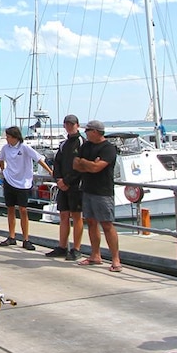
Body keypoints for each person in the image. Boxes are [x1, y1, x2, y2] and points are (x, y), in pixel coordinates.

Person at [73, 120, 123, 272]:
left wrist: (85, 164)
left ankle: (116, 259)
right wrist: (88, 163)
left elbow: (97, 168)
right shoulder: (86, 146)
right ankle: (95, 255)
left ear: (94, 131)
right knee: (91, 222)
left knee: (107, 224)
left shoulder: (108, 148)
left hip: (103, 192)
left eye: (87, 130)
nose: (85, 133)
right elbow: (75, 164)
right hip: (87, 189)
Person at [0, 125, 53, 250]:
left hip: (23, 183)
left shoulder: (25, 147)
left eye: (9, 137)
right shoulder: (5, 148)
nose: (7, 139)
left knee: (23, 210)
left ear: (15, 137)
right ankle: (11, 237)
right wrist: (4, 171)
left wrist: (50, 171)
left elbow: (38, 159)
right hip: (9, 181)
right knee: (10, 208)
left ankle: (26, 239)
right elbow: (0, 159)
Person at [45, 114, 84, 261]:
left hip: (76, 186)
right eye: (67, 124)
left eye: (72, 124)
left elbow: (80, 166)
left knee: (77, 216)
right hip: (63, 185)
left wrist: (68, 181)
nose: (69, 126)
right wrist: (59, 179)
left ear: (77, 125)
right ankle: (62, 246)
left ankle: (77, 248)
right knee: (63, 216)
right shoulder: (63, 144)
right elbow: (57, 164)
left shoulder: (81, 142)